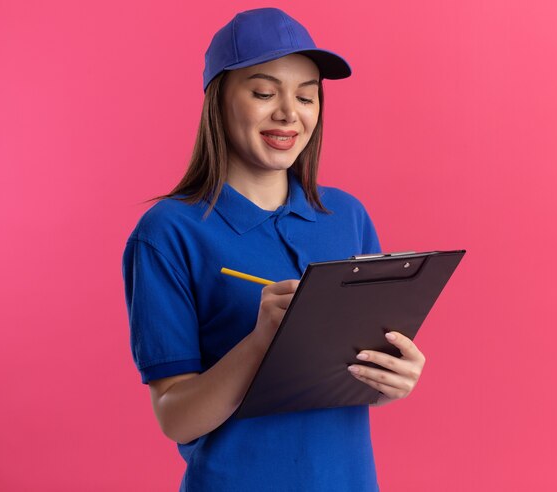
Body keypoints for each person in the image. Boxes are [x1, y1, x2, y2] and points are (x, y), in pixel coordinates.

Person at [122, 7, 426, 492]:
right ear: (218, 100)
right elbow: (175, 417)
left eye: (307, 96)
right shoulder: (167, 233)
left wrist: (394, 379)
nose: (289, 113)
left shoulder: (347, 217)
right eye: (264, 93)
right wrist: (261, 340)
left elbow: (352, 378)